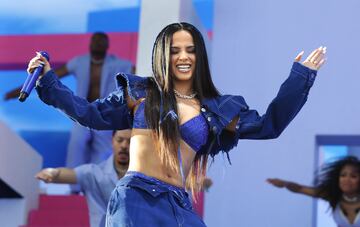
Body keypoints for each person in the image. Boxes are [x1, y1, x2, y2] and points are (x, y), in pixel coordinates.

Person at [27, 22, 326, 226]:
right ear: (163, 55)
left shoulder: (216, 109)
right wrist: (49, 80)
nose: (183, 56)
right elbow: (89, 114)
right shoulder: (140, 94)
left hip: (179, 206)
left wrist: (300, 77)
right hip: (137, 198)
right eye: (174, 50)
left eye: (191, 49)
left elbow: (267, 126)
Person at [5, 32, 133, 169]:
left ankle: (100, 186)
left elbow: (140, 78)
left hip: (106, 113)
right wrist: (15, 92)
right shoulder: (79, 62)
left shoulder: (119, 64)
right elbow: (54, 74)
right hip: (83, 110)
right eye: (95, 40)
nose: (98, 44)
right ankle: (73, 187)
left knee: (103, 152)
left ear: (108, 45)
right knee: (76, 146)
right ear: (90, 43)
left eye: (102, 41)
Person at [36, 129, 131, 227]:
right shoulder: (93, 172)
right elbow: (71, 174)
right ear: (112, 141)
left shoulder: (144, 176)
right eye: (119, 140)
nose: (124, 146)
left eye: (130, 142)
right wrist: (54, 173)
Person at [268, 156, 360, 227]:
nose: (346, 180)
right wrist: (285, 183)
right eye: (343, 175)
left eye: (353, 176)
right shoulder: (332, 196)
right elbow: (300, 189)